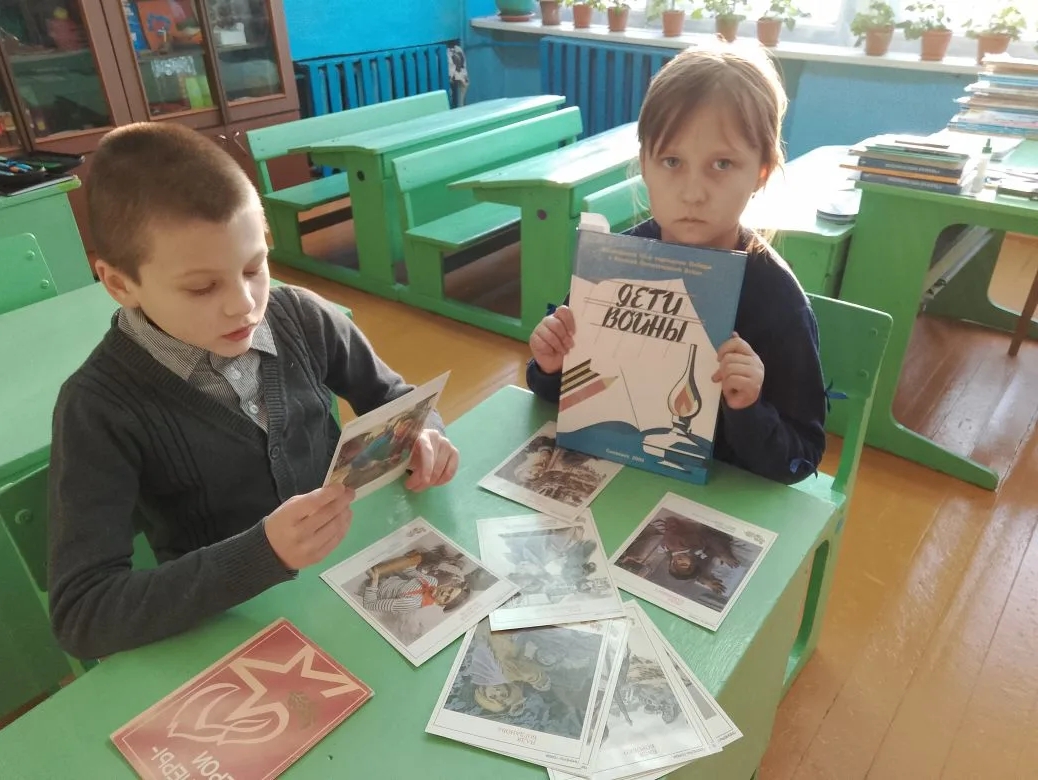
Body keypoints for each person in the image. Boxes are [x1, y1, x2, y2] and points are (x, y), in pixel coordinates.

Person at [48, 122, 460, 660]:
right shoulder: (97, 408)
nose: (244, 304)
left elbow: (394, 398)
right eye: (202, 287)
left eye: (254, 266)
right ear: (120, 283)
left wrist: (425, 433)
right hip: (232, 634)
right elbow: (83, 613)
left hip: (356, 581)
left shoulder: (302, 317)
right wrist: (264, 554)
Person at [526, 44, 826, 485]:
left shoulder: (778, 302)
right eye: (672, 161)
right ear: (644, 165)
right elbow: (561, 395)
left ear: (760, 174)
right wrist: (550, 366)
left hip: (718, 503)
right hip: (615, 480)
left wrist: (749, 407)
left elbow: (801, 460)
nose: (692, 192)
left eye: (722, 164)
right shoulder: (614, 265)